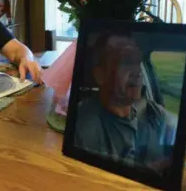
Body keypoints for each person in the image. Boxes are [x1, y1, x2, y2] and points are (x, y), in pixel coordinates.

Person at [74, 32, 177, 172]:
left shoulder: (151, 111)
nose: (138, 72)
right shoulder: (84, 126)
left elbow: (182, 134)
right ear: (100, 75)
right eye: (126, 62)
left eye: (138, 63)